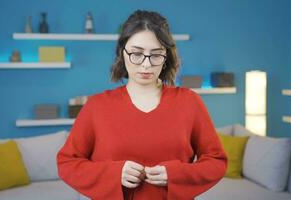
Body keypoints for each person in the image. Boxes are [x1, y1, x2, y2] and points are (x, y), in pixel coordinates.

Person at [57, 10, 227, 200]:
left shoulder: (189, 102)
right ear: (122, 53)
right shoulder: (96, 106)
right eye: (136, 54)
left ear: (166, 57)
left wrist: (176, 175)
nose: (146, 65)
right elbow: (67, 163)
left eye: (155, 55)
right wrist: (113, 174)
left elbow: (216, 161)